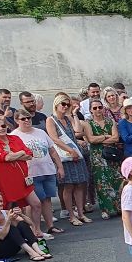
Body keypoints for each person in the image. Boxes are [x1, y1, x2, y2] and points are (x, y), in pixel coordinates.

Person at [45, 94, 90, 226]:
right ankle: (71, 215)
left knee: (80, 184)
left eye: (67, 105)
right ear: (56, 105)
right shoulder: (51, 120)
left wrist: (74, 114)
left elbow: (77, 130)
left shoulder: (68, 118)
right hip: (65, 156)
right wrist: (70, 150)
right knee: (68, 186)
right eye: (63, 104)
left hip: (75, 153)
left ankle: (80, 213)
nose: (65, 107)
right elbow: (54, 139)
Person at [0, 191, 50, 261]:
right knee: (11, 228)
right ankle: (31, 252)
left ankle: (37, 249)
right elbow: (0, 236)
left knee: (21, 224)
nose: (0, 204)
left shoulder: (6, 212)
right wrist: (8, 220)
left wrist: (21, 214)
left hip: (15, 245)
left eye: (1, 201)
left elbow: (31, 224)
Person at [83, 99, 121, 219]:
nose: (98, 110)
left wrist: (100, 140)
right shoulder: (88, 123)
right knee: (101, 182)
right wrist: (106, 136)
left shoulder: (110, 121)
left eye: (100, 107)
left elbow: (115, 138)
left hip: (111, 155)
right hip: (97, 156)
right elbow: (91, 139)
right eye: (95, 108)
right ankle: (106, 209)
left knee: (116, 179)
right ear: (90, 110)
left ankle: (118, 207)